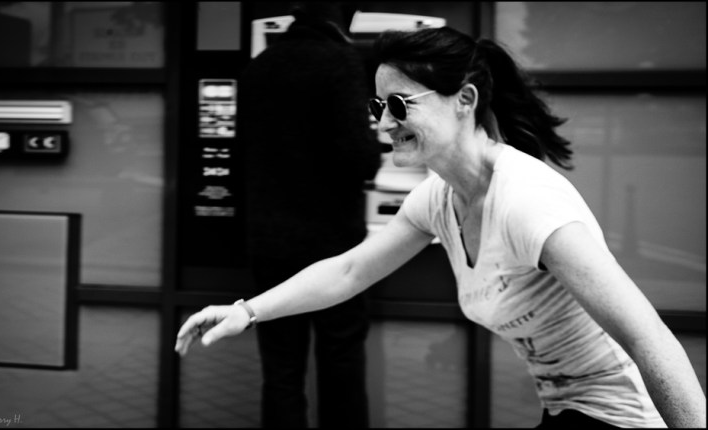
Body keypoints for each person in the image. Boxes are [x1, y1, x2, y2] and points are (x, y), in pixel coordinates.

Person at [176, 26, 706, 428]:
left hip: (618, 415)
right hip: (566, 409)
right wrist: (247, 311)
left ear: (465, 101)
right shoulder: (440, 198)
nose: (384, 122)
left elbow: (649, 338)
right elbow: (350, 270)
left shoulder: (527, 201)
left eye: (400, 104)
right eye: (377, 104)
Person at [192, 3, 380, 428]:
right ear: (340, 20)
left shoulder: (259, 67)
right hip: (333, 244)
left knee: (281, 367)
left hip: (270, 241)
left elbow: (238, 157)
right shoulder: (342, 61)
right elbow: (361, 158)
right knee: (341, 355)